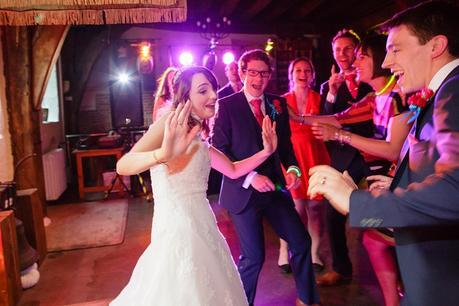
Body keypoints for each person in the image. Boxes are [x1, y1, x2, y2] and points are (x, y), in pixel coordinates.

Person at [308, 2, 459, 305]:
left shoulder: (454, 91)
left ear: (436, 46)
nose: (387, 62)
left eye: (396, 49)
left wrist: (358, 201)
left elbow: (455, 188)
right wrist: (398, 186)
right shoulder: (441, 92)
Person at [110, 66, 278, 306]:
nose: (213, 96)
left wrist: (266, 152)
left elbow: (233, 169)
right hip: (178, 228)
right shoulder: (170, 122)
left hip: (204, 226)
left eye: (213, 89)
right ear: (185, 96)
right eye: (203, 90)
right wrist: (162, 154)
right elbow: (123, 165)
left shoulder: (198, 134)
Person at [212, 49, 320, 306]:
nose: (258, 79)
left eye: (263, 73)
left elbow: (286, 148)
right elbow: (219, 153)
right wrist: (250, 177)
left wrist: (292, 169)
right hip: (243, 191)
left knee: (301, 242)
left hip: (274, 189)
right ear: (242, 73)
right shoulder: (225, 105)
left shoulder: (278, 104)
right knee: (254, 258)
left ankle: (307, 299)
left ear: (270, 75)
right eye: (252, 72)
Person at [311, 33, 410, 306]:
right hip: (369, 166)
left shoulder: (397, 95)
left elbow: (392, 147)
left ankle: (403, 289)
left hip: (388, 169)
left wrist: (340, 135)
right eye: (340, 51)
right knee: (367, 235)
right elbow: (334, 115)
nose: (351, 58)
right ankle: (387, 291)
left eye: (357, 54)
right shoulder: (368, 94)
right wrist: (293, 116)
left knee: (384, 238)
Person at [318, 28, 374, 286]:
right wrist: (331, 92)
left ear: (357, 50)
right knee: (332, 214)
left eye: (347, 48)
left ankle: (393, 270)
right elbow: (324, 117)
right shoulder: (327, 86)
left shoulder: (372, 77)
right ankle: (341, 268)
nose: (342, 54)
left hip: (374, 154)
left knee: (383, 212)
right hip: (343, 157)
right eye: (337, 50)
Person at [277, 57, 329, 275]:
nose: (302, 73)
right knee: (294, 208)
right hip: (292, 160)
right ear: (291, 75)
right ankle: (284, 249)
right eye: (298, 70)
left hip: (315, 157)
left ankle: (315, 253)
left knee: (315, 209)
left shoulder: (320, 98)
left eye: (307, 70)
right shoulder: (281, 101)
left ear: (312, 75)